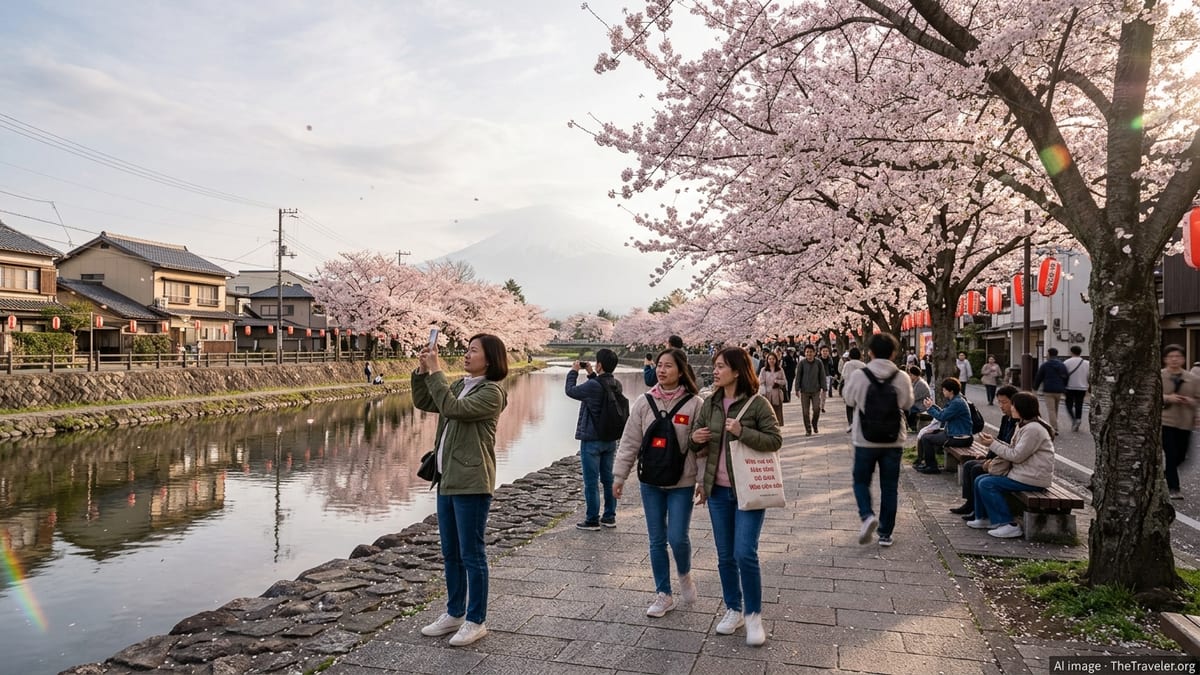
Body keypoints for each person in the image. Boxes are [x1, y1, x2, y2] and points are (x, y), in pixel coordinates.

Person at [414, 333, 509, 647]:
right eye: (466, 349)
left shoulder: (491, 392)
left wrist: (438, 369)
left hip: (471, 482)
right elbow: (427, 400)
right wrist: (422, 370)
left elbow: (453, 409)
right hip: (447, 480)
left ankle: (475, 619)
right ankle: (454, 612)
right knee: (450, 552)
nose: (466, 355)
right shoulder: (460, 384)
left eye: (473, 350)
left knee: (472, 553)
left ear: (490, 359)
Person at [689, 347, 782, 646]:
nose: (715, 371)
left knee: (745, 553)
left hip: (749, 491)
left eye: (720, 367)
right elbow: (697, 445)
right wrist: (694, 439)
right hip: (717, 492)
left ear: (738, 371)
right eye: (714, 367)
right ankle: (734, 609)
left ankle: (754, 615)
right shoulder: (710, 403)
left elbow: (774, 441)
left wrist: (742, 431)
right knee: (725, 555)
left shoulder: (758, 404)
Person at [613, 348, 703, 618]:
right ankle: (663, 593)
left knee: (677, 537)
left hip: (682, 481)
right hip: (650, 480)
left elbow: (701, 447)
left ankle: (684, 573)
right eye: (659, 366)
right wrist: (619, 477)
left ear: (681, 370)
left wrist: (702, 480)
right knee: (656, 540)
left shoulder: (695, 404)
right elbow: (630, 442)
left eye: (668, 366)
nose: (661, 371)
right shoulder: (643, 402)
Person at [843, 333, 913, 547]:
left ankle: (867, 515)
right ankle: (885, 534)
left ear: (870, 352)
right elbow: (907, 403)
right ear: (893, 353)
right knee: (889, 486)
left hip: (865, 438)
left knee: (861, 481)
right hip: (893, 440)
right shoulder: (902, 376)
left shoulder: (859, 375)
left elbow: (848, 399)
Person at [968, 391, 1056, 539]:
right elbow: (1012, 449)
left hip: (1032, 477)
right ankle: (985, 518)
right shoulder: (1024, 425)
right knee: (980, 480)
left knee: (987, 483)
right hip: (1024, 474)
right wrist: (994, 442)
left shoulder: (1033, 429)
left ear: (1022, 408)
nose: (1012, 408)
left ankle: (1007, 524)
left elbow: (1016, 456)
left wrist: (993, 444)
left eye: (1014, 405)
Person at [565, 348, 623, 530]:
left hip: (592, 440)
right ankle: (609, 516)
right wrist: (591, 374)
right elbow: (601, 388)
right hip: (610, 439)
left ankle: (592, 519)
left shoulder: (593, 386)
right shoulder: (616, 384)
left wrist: (574, 371)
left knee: (591, 482)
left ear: (600, 364)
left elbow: (571, 391)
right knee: (608, 479)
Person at [950, 385, 1019, 518]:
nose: (1001, 406)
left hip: (1007, 462)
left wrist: (990, 459)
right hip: (1001, 458)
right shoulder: (1006, 419)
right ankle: (970, 503)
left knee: (976, 469)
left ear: (1015, 402)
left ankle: (979, 510)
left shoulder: (1019, 423)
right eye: (999, 402)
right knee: (969, 464)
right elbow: (999, 440)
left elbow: (1010, 448)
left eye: (1004, 402)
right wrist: (987, 456)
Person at [1162, 344, 1200, 499]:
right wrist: (1167, 398)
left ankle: (1164, 476)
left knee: (1182, 456)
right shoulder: (1159, 376)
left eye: (1178, 356)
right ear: (1165, 359)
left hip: (1185, 422)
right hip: (1165, 421)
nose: (1174, 359)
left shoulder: (1193, 379)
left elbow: (1198, 399)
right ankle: (1174, 488)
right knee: (1171, 454)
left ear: (1183, 359)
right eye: (1171, 357)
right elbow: (1151, 397)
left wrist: (1192, 403)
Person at [916, 378, 973, 473]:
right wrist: (933, 406)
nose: (943, 391)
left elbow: (942, 417)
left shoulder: (957, 403)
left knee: (926, 438)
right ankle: (927, 464)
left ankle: (932, 467)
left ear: (950, 391)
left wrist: (930, 408)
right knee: (927, 434)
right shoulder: (956, 400)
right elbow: (944, 413)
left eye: (944, 390)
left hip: (960, 437)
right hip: (954, 433)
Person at [1033, 347, 1069, 434]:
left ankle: (1054, 427)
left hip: (1048, 389)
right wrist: (1064, 386)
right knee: (1055, 408)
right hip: (1059, 390)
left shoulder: (1045, 365)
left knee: (1051, 410)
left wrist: (1035, 387)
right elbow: (1066, 376)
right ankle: (1054, 424)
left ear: (1049, 354)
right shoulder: (1061, 365)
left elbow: (1039, 377)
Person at [794, 345, 826, 435]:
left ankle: (814, 423)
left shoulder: (818, 363)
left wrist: (824, 388)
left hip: (816, 390)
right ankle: (808, 429)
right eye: (807, 352)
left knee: (817, 408)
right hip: (804, 391)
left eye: (811, 352)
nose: (809, 354)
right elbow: (798, 376)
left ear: (814, 353)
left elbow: (822, 376)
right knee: (805, 412)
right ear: (805, 353)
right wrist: (797, 389)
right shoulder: (802, 363)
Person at [1063, 346, 1090, 432]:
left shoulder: (1066, 362)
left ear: (1071, 352)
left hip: (1069, 386)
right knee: (1079, 404)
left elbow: (1063, 375)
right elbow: (1089, 376)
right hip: (1082, 387)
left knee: (1068, 404)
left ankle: (1074, 419)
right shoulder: (1087, 363)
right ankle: (1078, 419)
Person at [839, 347, 867, 431]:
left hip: (849, 389)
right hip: (860, 390)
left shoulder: (847, 364)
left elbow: (843, 375)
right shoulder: (863, 365)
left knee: (849, 407)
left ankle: (851, 423)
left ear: (850, 356)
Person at [759, 352, 786, 425]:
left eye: (773, 359)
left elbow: (784, 381)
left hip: (776, 393)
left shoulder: (780, 370)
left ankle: (777, 425)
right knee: (767, 412)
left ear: (776, 360)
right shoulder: (763, 370)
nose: (771, 360)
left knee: (777, 412)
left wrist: (777, 381)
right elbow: (760, 381)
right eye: (770, 359)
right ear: (767, 360)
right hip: (766, 393)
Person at [906, 366, 931, 432]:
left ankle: (912, 426)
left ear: (914, 375)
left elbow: (912, 397)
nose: (909, 376)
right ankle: (910, 426)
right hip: (918, 404)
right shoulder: (916, 382)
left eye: (910, 374)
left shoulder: (920, 384)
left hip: (922, 406)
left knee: (905, 408)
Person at [818, 345, 839, 413]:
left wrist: (834, 374)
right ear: (820, 352)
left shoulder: (830, 359)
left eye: (826, 351)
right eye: (823, 351)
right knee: (819, 392)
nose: (825, 352)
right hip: (818, 377)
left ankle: (822, 406)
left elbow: (832, 368)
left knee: (824, 393)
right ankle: (818, 405)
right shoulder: (818, 360)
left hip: (827, 377)